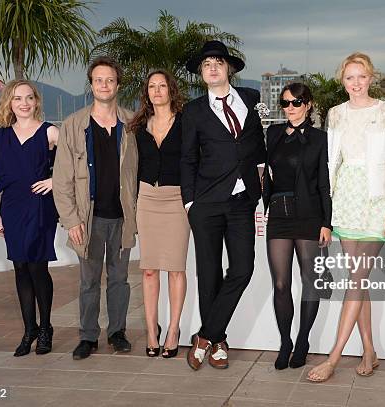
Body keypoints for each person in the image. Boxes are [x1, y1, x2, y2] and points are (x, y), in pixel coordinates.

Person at [308, 52, 385, 382]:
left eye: (361, 76)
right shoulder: (335, 114)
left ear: (371, 77)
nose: (356, 83)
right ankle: (369, 349)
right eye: (350, 77)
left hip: (377, 201)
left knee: (357, 279)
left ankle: (333, 358)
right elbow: (330, 164)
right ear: (343, 81)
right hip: (345, 200)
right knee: (358, 280)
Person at [181, 40, 266, 370]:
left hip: (242, 201)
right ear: (201, 73)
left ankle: (205, 335)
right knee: (209, 273)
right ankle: (219, 342)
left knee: (243, 269)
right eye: (206, 65)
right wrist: (189, 202)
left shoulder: (252, 99)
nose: (212, 68)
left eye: (217, 62)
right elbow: (188, 159)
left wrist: (262, 184)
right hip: (206, 203)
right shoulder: (194, 111)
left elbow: (260, 147)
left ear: (228, 68)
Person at [53, 56, 138, 360]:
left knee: (119, 280)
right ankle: (88, 336)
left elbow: (139, 172)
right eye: (98, 80)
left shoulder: (131, 123)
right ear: (91, 85)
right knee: (89, 281)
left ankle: (117, 332)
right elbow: (61, 179)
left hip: (122, 218)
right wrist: (71, 220)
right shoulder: (74, 125)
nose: (104, 85)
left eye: (110, 80)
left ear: (118, 84)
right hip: (87, 220)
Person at [262, 82, 332, 370]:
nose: (290, 108)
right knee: (280, 283)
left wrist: (327, 223)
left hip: (308, 215)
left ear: (309, 104)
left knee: (309, 281)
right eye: (285, 103)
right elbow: (265, 169)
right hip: (278, 214)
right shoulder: (273, 133)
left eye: (296, 102)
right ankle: (285, 342)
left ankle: (302, 341)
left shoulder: (320, 138)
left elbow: (325, 183)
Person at [0, 79, 59, 357]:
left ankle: (45, 329)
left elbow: (78, 157)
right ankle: (29, 329)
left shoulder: (50, 131)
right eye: (18, 98)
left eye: (29, 98)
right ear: (9, 102)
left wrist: (54, 180)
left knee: (37, 267)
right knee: (20, 267)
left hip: (40, 206)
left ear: (36, 101)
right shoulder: (2, 135)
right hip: (13, 207)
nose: (24, 103)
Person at [130, 70, 189, 358]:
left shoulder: (186, 122)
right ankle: (152, 330)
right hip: (147, 199)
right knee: (150, 268)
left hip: (177, 199)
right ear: (147, 92)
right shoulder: (138, 126)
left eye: (162, 86)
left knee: (176, 268)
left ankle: (174, 329)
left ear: (170, 90)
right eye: (151, 86)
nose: (157, 91)